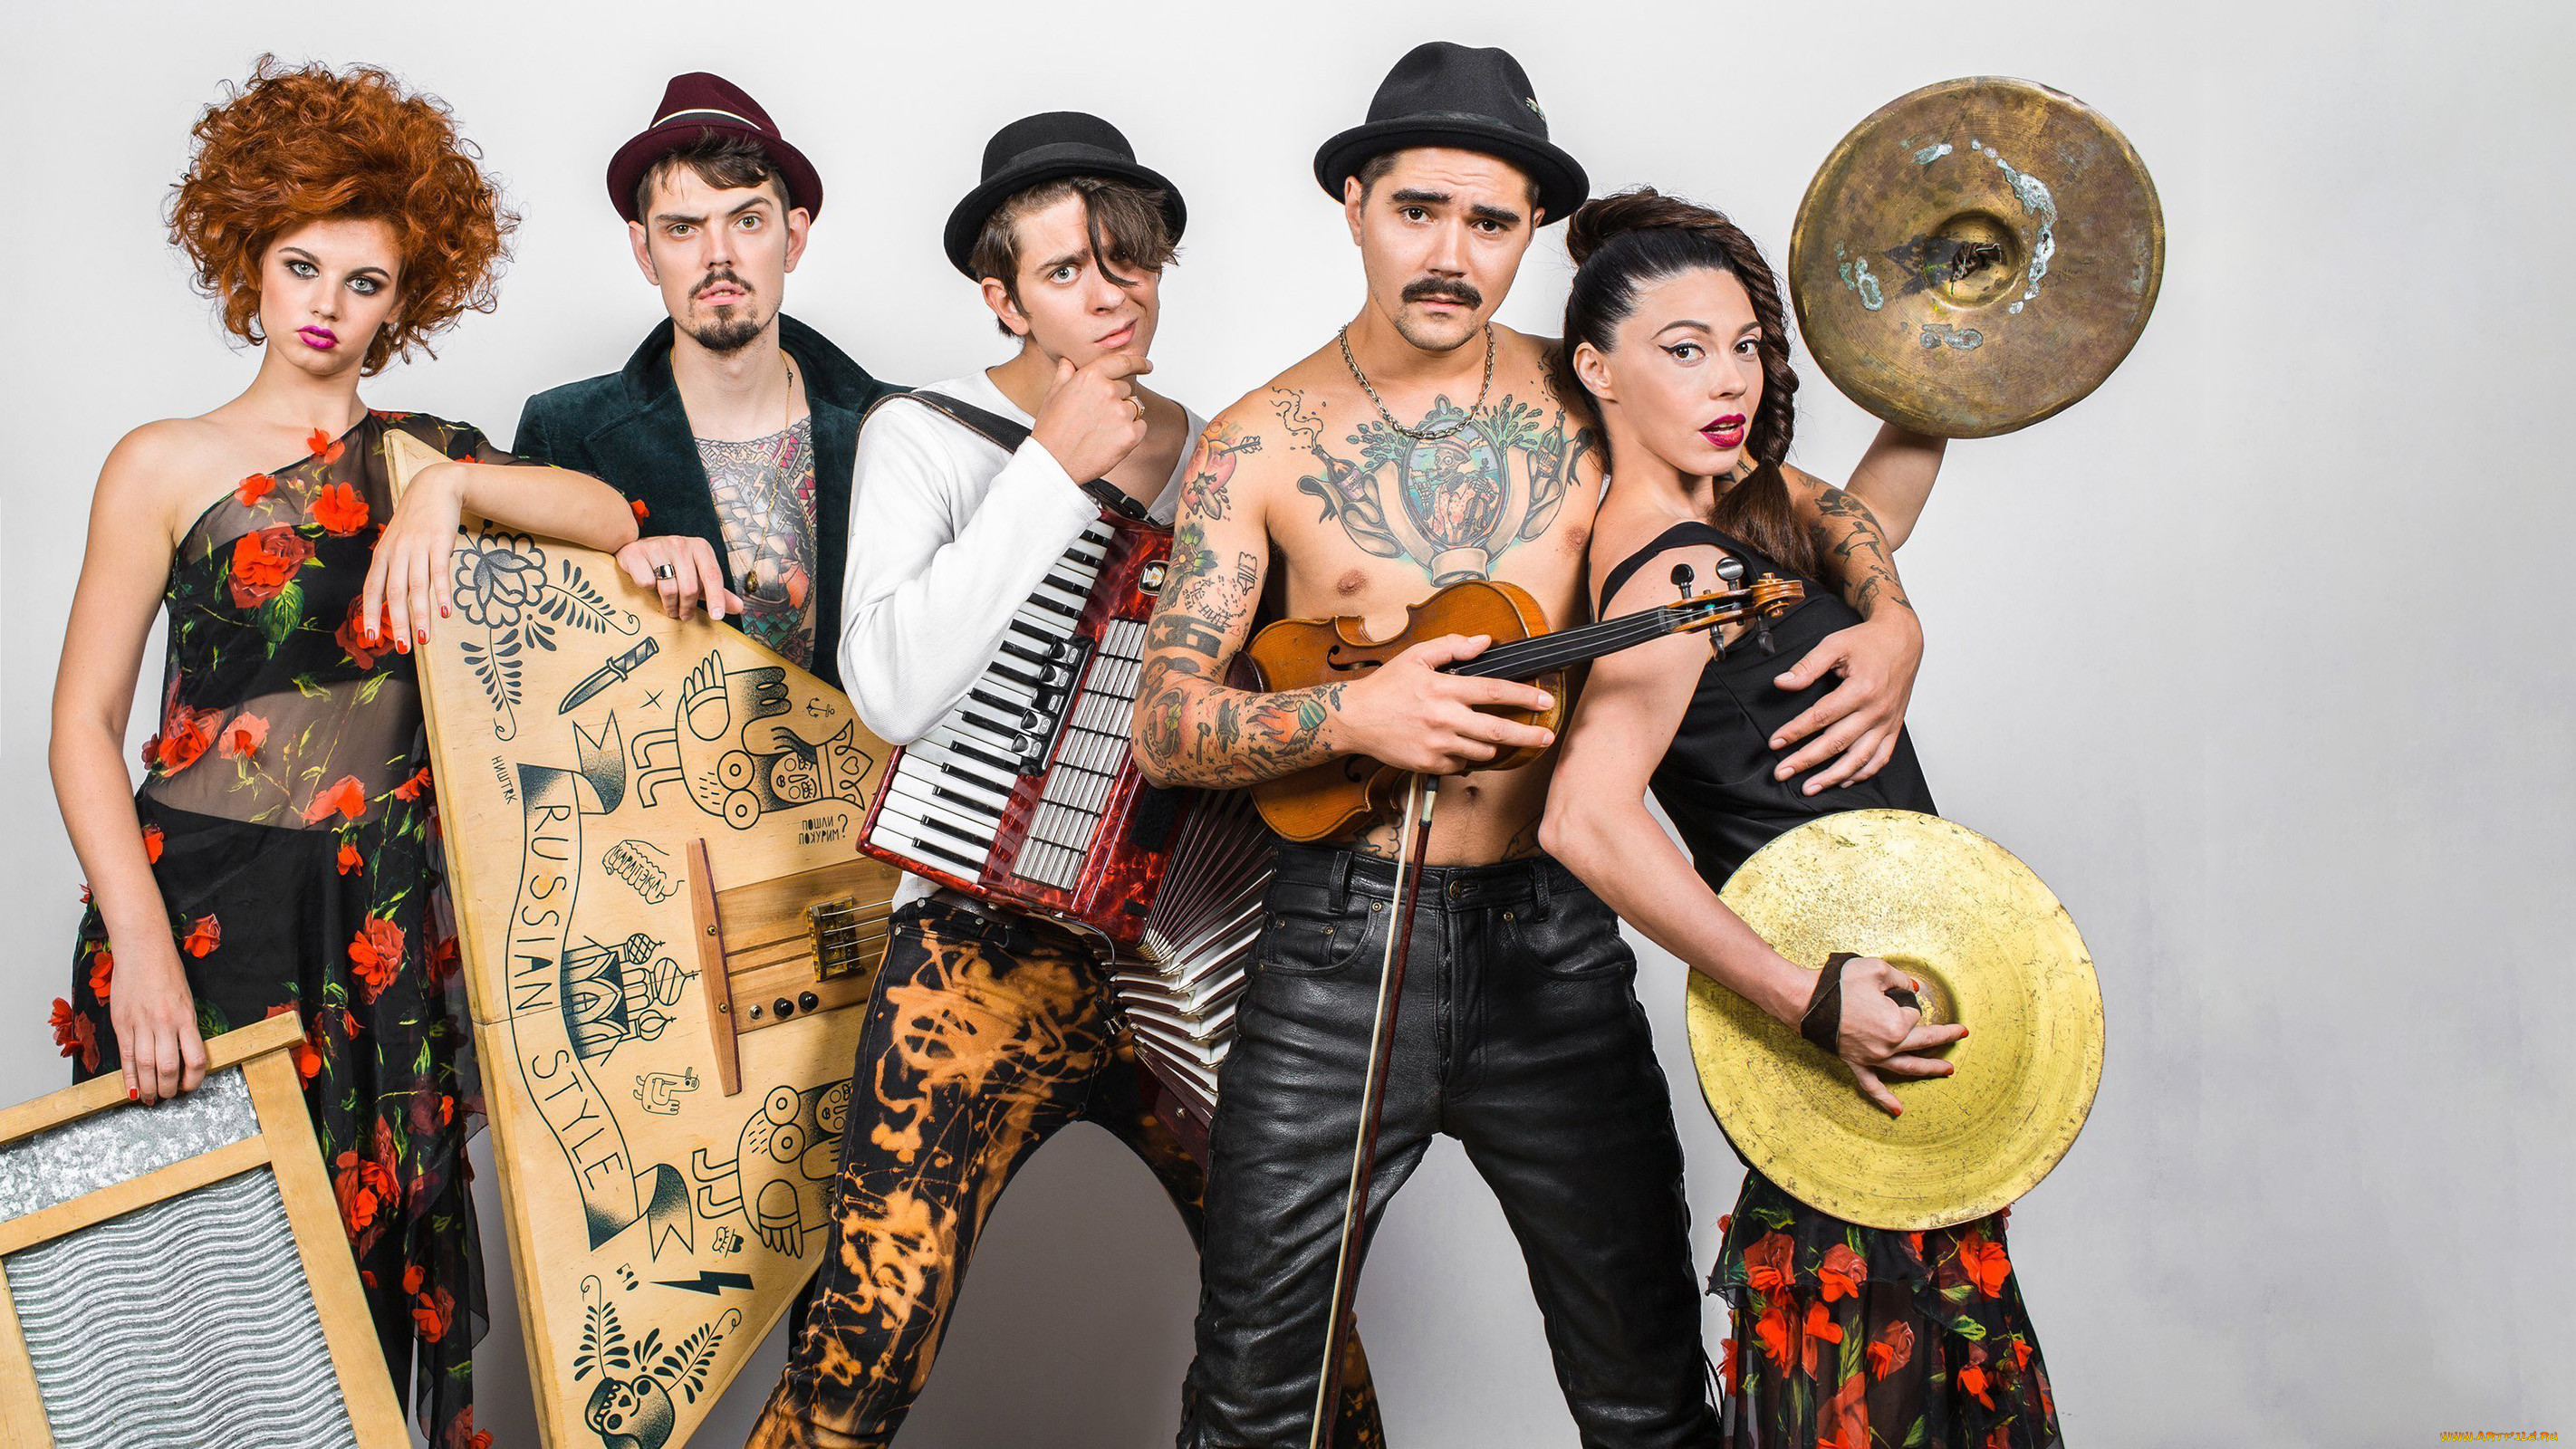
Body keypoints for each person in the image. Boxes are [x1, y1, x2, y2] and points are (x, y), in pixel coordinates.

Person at [1128, 40, 1932, 1446]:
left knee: (1647, 1396)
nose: (1452, 254)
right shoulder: (1261, 443)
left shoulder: (1599, 392)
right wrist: (1354, 714)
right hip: (1336, 953)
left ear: (1535, 231)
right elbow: (1165, 724)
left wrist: (1894, 617)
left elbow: (1807, 512)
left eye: (1490, 222)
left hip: (1555, 941)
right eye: (1418, 211)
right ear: (1355, 205)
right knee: (1254, 1405)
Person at [747, 110, 1385, 1449]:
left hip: (1188, 952)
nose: (1110, 295)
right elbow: (893, 690)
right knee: (866, 1341)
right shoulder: (927, 433)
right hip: (978, 948)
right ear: (1003, 297)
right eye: (1065, 272)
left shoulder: (1226, 451)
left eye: (1130, 262)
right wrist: (1049, 467)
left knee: (1300, 1336)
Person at [45, 57, 639, 1447]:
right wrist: (143, 950)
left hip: (382, 925)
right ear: (249, 261)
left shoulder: (432, 452)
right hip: (203, 915)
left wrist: (452, 491)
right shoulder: (162, 460)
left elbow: (614, 519)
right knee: (192, 1323)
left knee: (360, 1335)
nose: (326, 304)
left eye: (364, 282)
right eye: (302, 265)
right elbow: (80, 726)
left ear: (403, 299)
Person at [1537, 187, 2062, 1449]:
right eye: (1683, 351)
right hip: (1838, 1030)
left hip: (1889, 1015)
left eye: (1743, 346)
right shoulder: (1671, 568)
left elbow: (1872, 511)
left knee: (1924, 1389)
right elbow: (1583, 821)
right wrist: (1806, 999)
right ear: (1597, 371)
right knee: (1873, 1394)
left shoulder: (1733, 513)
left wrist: (1894, 614)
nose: (1730, 379)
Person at [514, 72, 898, 684]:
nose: (718, 254)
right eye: (682, 228)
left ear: (793, 238)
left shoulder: (897, 428)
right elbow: (537, 666)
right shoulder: (564, 432)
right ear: (645, 252)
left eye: (747, 221)